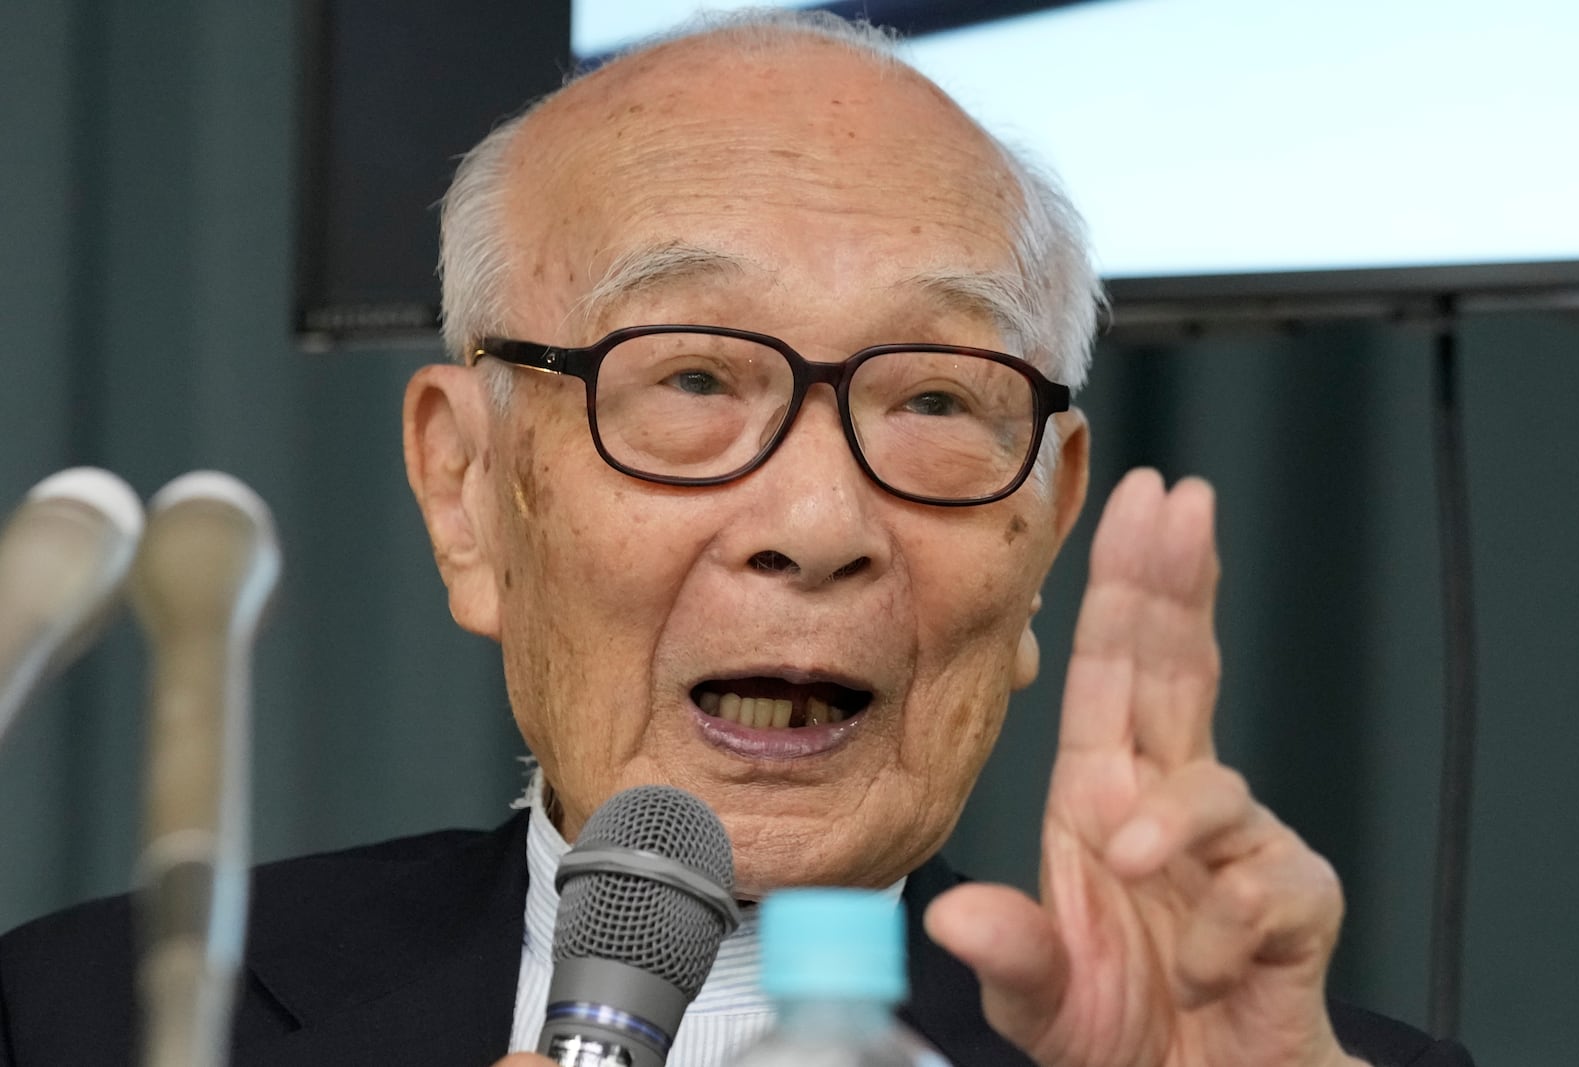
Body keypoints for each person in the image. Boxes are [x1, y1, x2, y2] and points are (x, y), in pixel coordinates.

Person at [0, 10, 1473, 1067]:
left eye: (936, 399)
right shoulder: (95, 1020)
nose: (818, 524)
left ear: (1046, 519)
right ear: (467, 490)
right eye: (694, 380)